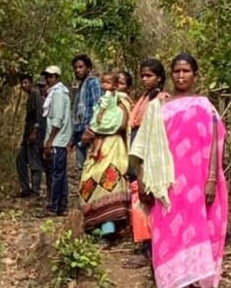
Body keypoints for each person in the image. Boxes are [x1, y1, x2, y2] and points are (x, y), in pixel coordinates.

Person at [131, 54, 228, 288]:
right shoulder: (159, 107)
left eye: (186, 71)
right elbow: (146, 148)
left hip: (197, 188)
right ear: (171, 75)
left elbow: (214, 145)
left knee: (197, 240)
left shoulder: (204, 106)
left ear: (195, 74)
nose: (181, 76)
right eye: (177, 71)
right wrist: (144, 182)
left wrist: (211, 180)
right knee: (165, 243)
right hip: (167, 188)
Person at [79, 71, 133, 244]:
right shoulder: (105, 100)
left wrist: (97, 129)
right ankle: (94, 224)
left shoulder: (124, 102)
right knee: (88, 179)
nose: (115, 86)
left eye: (122, 83)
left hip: (115, 147)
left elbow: (119, 124)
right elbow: (97, 120)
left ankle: (109, 229)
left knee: (108, 181)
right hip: (100, 146)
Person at [125, 59, 169, 269]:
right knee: (138, 199)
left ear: (159, 77)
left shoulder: (161, 99)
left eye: (149, 75)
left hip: (148, 157)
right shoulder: (144, 98)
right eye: (142, 75)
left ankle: (149, 248)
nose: (145, 79)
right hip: (135, 153)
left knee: (147, 200)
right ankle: (143, 245)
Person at [41, 65, 73, 216]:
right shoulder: (55, 93)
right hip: (58, 140)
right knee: (60, 173)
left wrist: (50, 141)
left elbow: (58, 120)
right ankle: (61, 206)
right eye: (47, 76)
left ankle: (54, 206)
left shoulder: (58, 94)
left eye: (52, 76)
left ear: (57, 78)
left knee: (56, 174)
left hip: (57, 141)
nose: (49, 79)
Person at [69, 54, 102, 171]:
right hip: (79, 132)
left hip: (89, 132)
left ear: (88, 68)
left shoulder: (93, 83)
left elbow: (97, 106)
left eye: (81, 67)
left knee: (90, 168)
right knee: (81, 168)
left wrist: (90, 130)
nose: (77, 70)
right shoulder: (80, 86)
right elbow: (77, 112)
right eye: (76, 68)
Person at [15, 74, 44, 198]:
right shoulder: (30, 96)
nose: (24, 85)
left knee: (34, 163)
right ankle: (25, 189)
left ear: (31, 83)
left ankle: (35, 190)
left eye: (26, 82)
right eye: (22, 83)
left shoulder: (36, 94)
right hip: (28, 136)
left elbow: (39, 114)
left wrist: (35, 131)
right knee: (20, 159)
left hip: (34, 135)